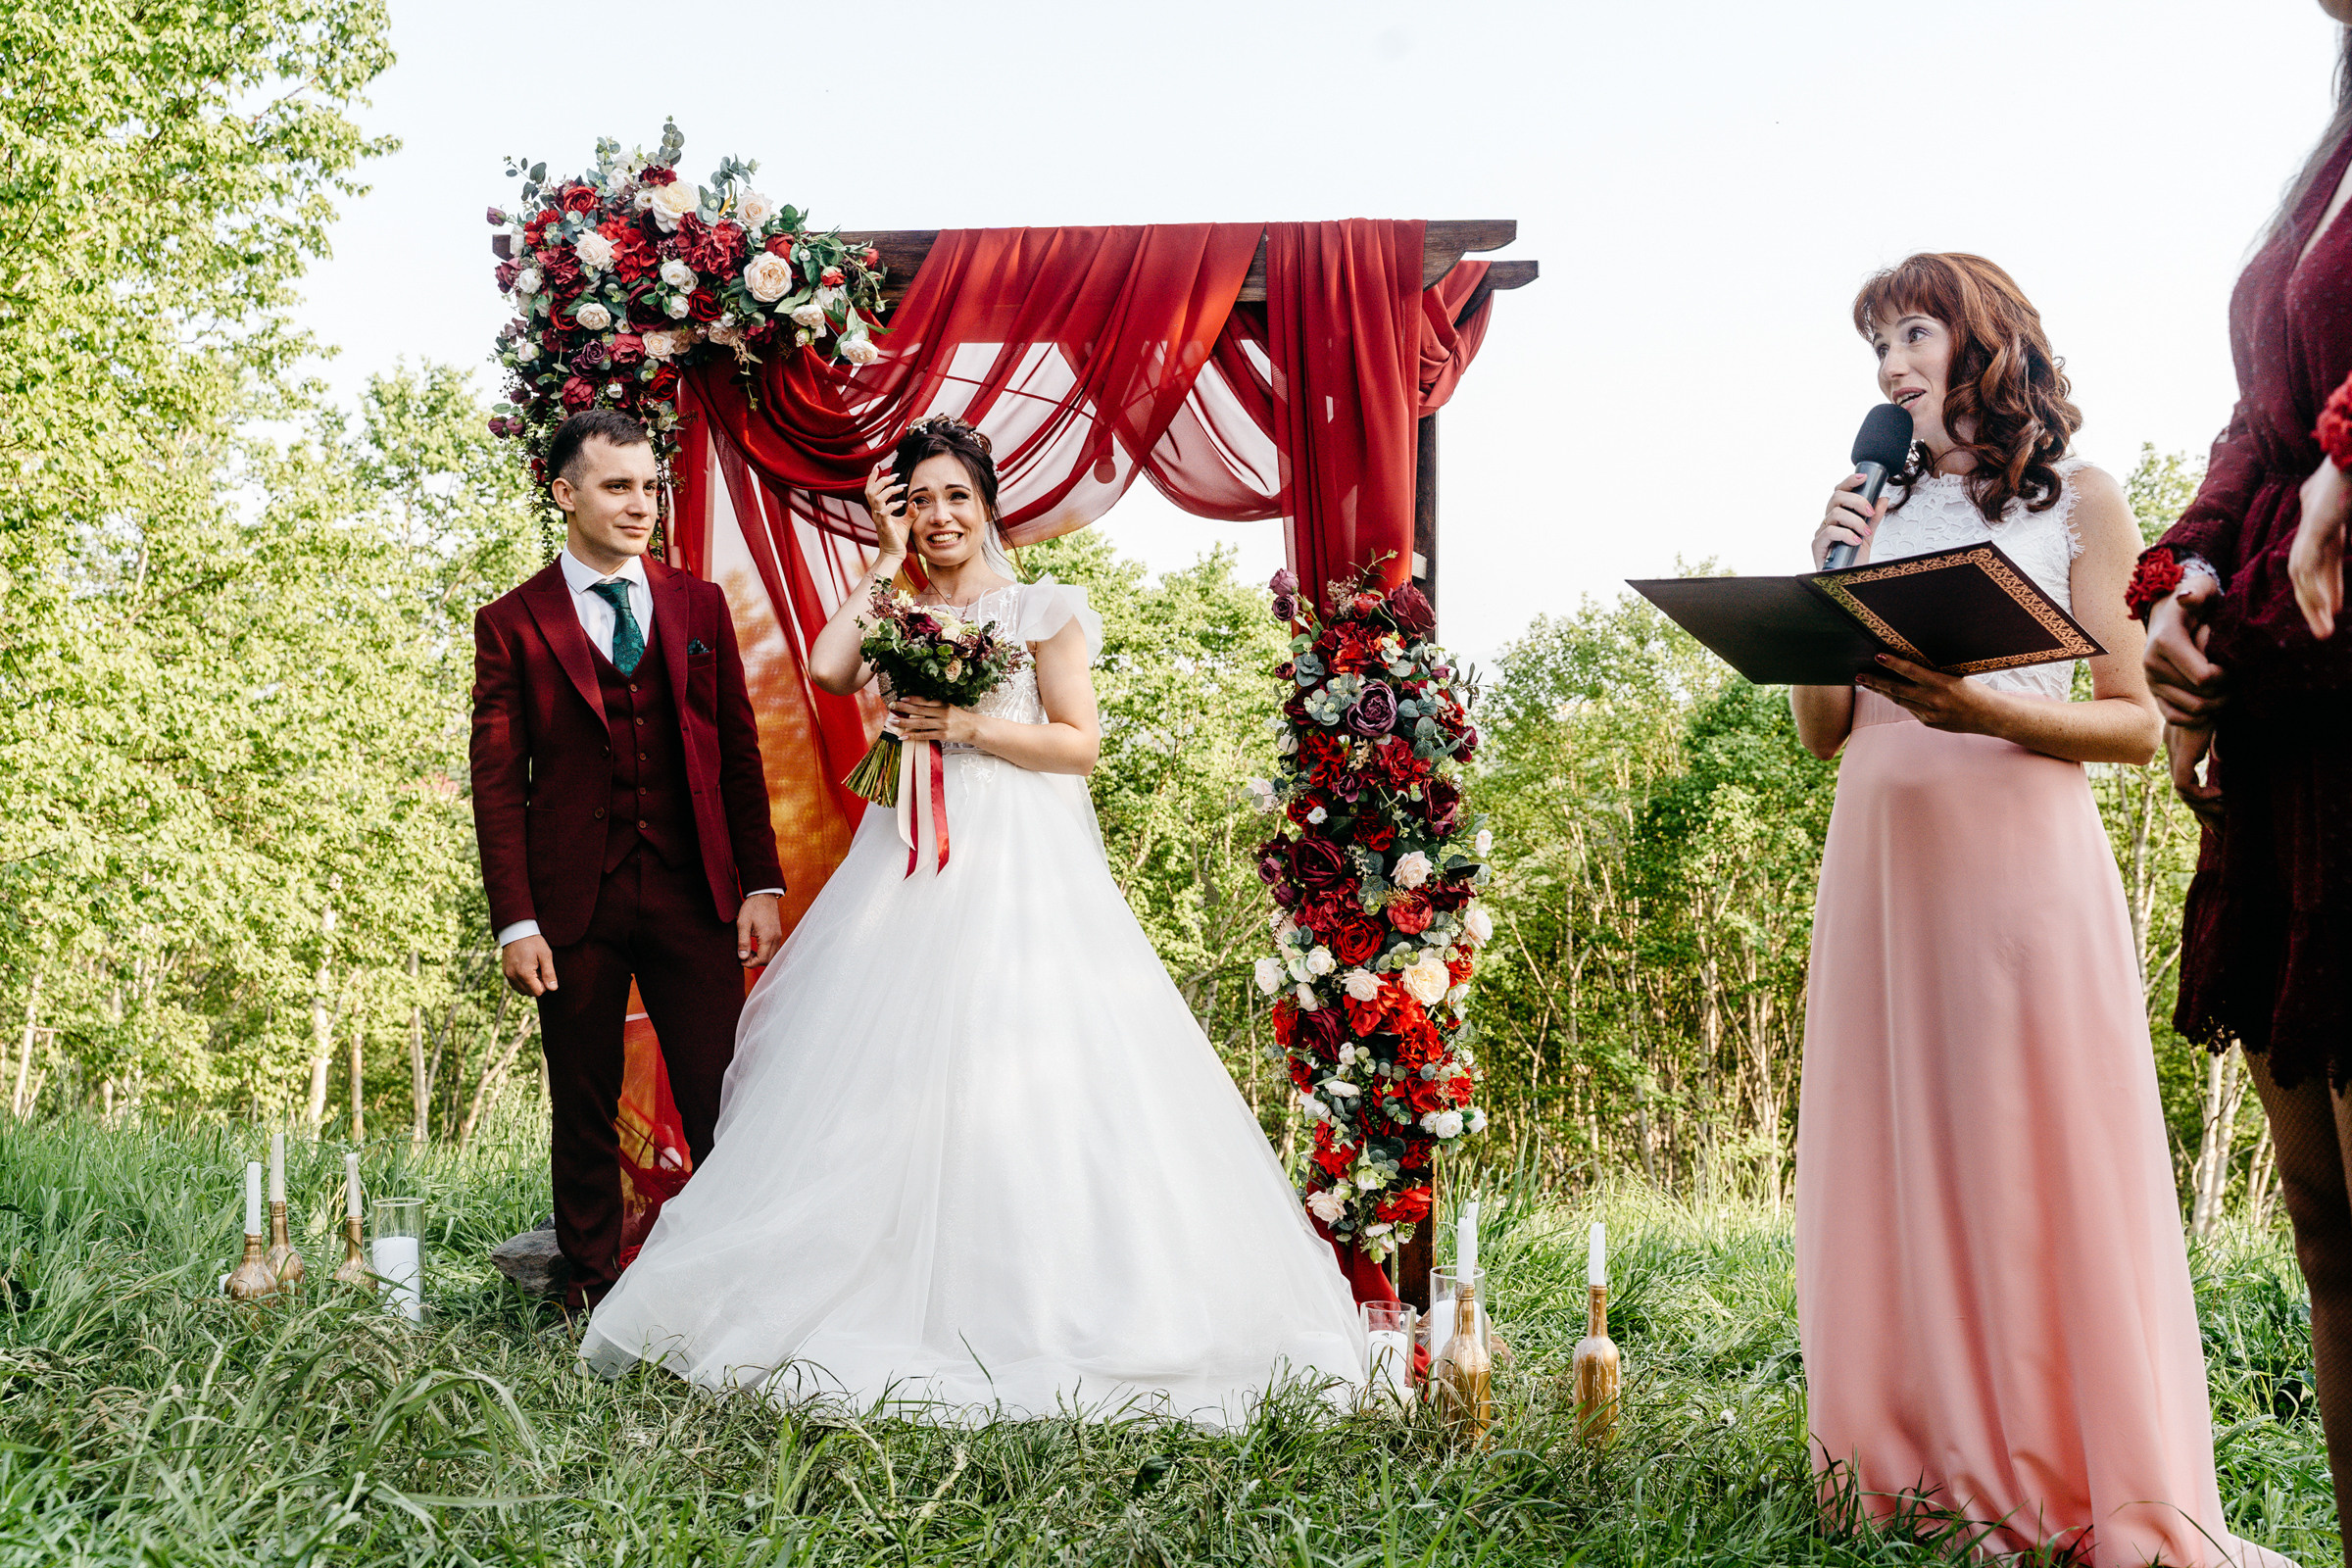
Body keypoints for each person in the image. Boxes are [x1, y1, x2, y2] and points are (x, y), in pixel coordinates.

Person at [578, 415, 1364, 1425]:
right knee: (885, 1070)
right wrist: (883, 552)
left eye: (955, 496)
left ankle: (1052, 1299)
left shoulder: (1044, 606)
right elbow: (826, 669)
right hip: (905, 863)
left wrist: (970, 727)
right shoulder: (895, 602)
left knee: (1037, 1064)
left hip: (1022, 865)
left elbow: (1078, 744)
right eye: (920, 498)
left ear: (988, 502)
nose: (940, 515)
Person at [1791, 254, 2294, 1566]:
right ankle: (1913, 1458)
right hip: (1883, 866)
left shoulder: (2079, 500)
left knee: (2026, 1149)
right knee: (1901, 1139)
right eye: (1877, 344)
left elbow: (2132, 724)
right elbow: (1818, 732)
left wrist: (1982, 709)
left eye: (1914, 331)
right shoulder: (1865, 508)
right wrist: (1823, 581)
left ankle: (2060, 1463)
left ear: (1983, 341)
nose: (1893, 362)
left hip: (2019, 869)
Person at [2139, 7, 2352, 1562]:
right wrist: (2183, 576)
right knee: (2329, 1233)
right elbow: (2253, 426)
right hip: (2287, 701)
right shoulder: (2323, 158)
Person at [469, 409, 786, 1310]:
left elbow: (736, 749)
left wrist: (760, 881)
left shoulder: (699, 604)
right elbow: (498, 782)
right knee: (582, 1100)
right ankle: (591, 1288)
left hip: (696, 892)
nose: (641, 504)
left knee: (726, 1095)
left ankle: (735, 1284)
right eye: (617, 487)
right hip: (573, 904)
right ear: (564, 494)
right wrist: (517, 921)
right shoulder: (513, 623)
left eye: (650, 486)